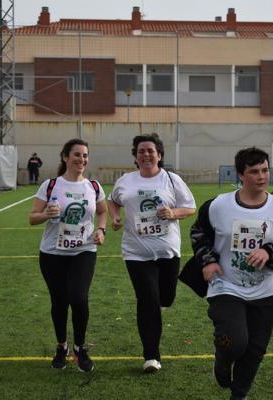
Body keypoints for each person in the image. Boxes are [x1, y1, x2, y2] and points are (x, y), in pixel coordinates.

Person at [190, 147, 273, 400]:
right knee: (235, 341)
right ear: (240, 174)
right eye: (253, 172)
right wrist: (207, 261)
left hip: (264, 290)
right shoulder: (218, 206)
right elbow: (198, 234)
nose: (261, 176)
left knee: (255, 350)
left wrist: (270, 253)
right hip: (225, 286)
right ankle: (222, 360)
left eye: (264, 170)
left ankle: (238, 395)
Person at [107, 133, 196, 373]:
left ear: (159, 154)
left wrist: (173, 214)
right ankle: (151, 356)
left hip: (168, 251)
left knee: (165, 298)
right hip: (136, 252)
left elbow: (190, 207)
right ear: (135, 156)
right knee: (148, 300)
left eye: (151, 150)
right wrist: (115, 217)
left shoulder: (171, 179)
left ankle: (158, 305)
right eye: (141, 151)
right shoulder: (125, 181)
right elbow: (113, 201)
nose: (146, 154)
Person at [28, 139, 107, 372]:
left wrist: (101, 230)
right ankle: (61, 346)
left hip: (83, 251)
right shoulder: (51, 185)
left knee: (80, 298)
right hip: (53, 253)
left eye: (85, 155)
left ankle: (80, 348)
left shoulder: (93, 186)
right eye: (76, 155)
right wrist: (46, 214)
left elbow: (102, 211)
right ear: (64, 157)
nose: (81, 159)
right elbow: (32, 217)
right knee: (59, 301)